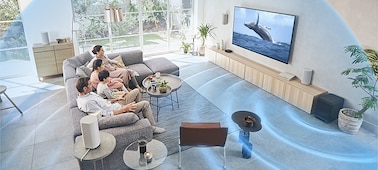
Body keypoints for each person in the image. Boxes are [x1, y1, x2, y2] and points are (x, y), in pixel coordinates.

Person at [76, 77, 165, 134]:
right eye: (90, 84)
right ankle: (152, 128)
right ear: (84, 88)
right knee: (145, 104)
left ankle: (138, 114)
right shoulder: (88, 103)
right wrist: (125, 109)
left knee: (136, 91)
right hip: (119, 111)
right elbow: (105, 115)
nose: (92, 86)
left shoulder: (87, 95)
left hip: (116, 104)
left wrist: (116, 99)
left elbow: (103, 101)